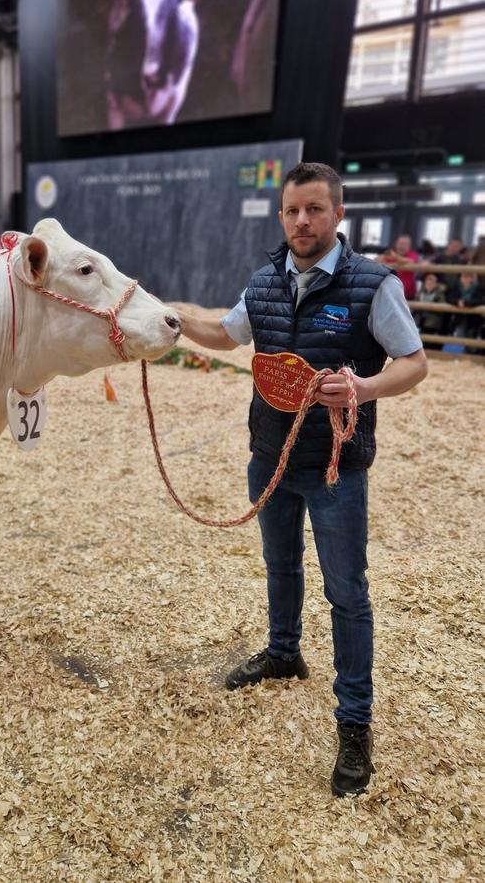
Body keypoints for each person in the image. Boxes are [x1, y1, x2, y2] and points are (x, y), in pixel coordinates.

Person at [176, 162, 427, 798]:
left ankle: (354, 720)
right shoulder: (264, 285)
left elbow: (415, 362)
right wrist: (166, 318)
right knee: (280, 566)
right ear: (281, 215)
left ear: (338, 215)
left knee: (348, 593)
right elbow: (225, 334)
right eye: (292, 211)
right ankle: (284, 652)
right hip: (271, 456)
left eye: (315, 210)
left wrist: (365, 387)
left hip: (336, 468)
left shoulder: (373, 285)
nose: (302, 222)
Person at [379, 234, 419, 300]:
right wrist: (384, 256)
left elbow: (411, 262)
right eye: (400, 243)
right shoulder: (391, 254)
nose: (401, 246)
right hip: (391, 294)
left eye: (404, 244)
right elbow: (377, 260)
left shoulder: (412, 254)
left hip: (407, 295)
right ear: (396, 244)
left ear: (409, 246)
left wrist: (396, 257)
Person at [414, 272, 447, 348]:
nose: (429, 283)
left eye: (431, 281)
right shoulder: (421, 291)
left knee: (428, 333)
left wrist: (429, 307)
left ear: (436, 284)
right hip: (420, 318)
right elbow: (415, 303)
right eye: (427, 281)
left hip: (432, 319)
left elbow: (441, 306)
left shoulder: (439, 293)